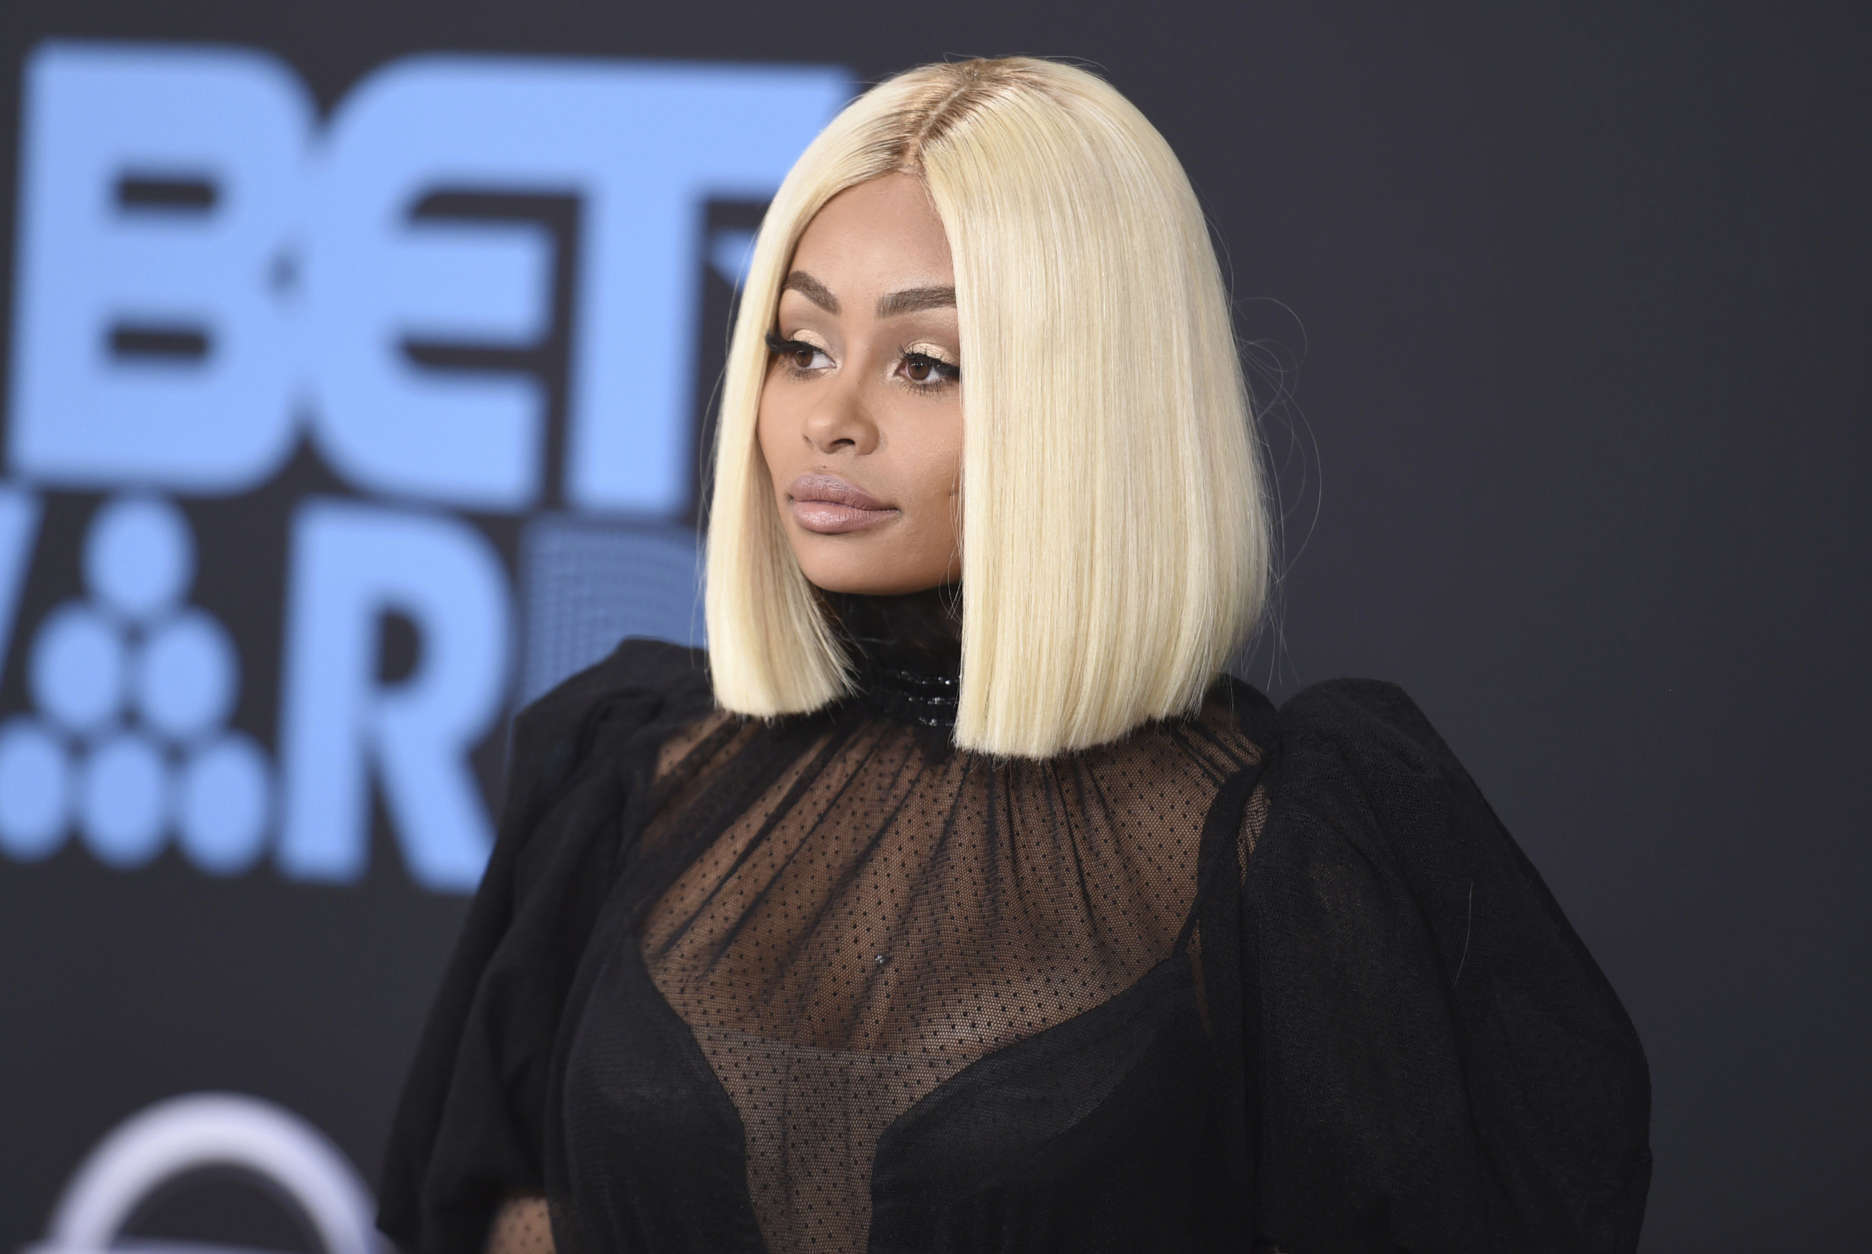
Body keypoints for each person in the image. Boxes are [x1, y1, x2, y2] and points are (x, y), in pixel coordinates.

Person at [374, 55, 1652, 1254]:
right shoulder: (639, 772)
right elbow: (502, 1209)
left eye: (926, 365)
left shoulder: (1280, 847)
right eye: (800, 346)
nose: (831, 418)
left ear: (1092, 403)